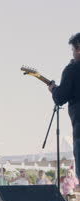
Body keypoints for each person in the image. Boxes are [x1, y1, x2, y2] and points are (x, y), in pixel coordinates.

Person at [49, 33, 80, 181]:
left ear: (78, 50)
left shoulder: (73, 69)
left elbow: (60, 97)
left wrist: (54, 89)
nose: (72, 54)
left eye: (73, 50)